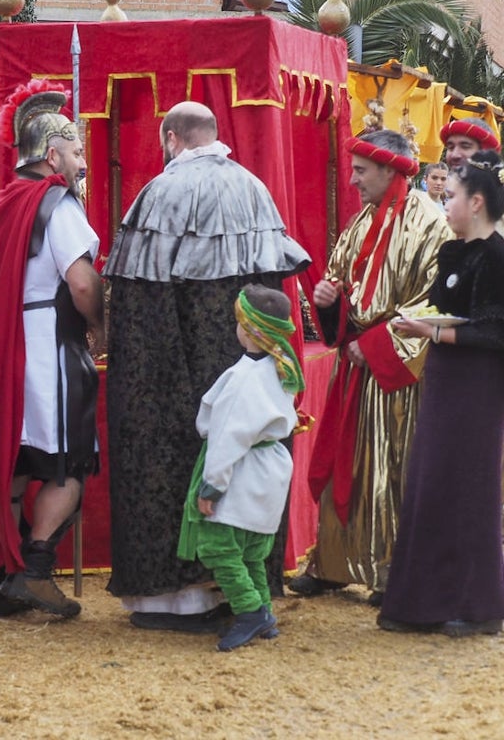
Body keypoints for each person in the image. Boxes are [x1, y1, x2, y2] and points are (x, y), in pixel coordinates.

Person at [103, 101, 310, 633]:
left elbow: (141, 319)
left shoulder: (159, 195)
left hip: (175, 375)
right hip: (251, 368)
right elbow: (275, 300)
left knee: (172, 466)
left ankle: (175, 601)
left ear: (172, 138)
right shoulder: (256, 190)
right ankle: (237, 595)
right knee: (240, 469)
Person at [290, 129, 452, 603]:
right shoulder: (360, 222)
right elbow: (342, 285)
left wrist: (379, 345)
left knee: (392, 470)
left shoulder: (431, 225)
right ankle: (335, 565)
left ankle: (391, 570)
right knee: (348, 464)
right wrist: (327, 302)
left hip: (396, 377)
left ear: (389, 169)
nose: (354, 180)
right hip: (355, 368)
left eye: (362, 171)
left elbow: (436, 302)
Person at [0, 79, 104, 619]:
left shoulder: (0, 202)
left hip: (7, 352)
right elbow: (83, 282)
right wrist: (100, 326)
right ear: (51, 155)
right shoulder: (56, 205)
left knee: (19, 461)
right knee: (68, 463)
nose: (81, 163)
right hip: (49, 348)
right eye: (75, 152)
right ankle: (34, 571)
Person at [378, 151, 504, 637]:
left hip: (478, 383)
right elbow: (440, 307)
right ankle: (420, 601)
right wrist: (422, 325)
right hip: (446, 376)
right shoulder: (454, 251)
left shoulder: (496, 256)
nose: (443, 205)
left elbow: (496, 333)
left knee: (467, 486)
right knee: (431, 480)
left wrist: (432, 333)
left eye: (450, 197)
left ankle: (475, 605)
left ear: (476, 202)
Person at [178, 285, 303, 651]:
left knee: (218, 545)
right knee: (251, 550)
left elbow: (227, 437)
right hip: (270, 466)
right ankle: (263, 611)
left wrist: (212, 486)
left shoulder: (244, 380)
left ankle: (251, 613)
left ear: (247, 329)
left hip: (241, 470)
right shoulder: (280, 369)